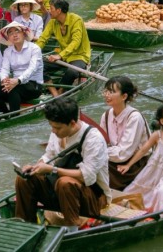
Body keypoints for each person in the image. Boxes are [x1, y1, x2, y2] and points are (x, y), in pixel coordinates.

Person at [14, 98, 110, 229]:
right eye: (51, 126)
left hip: (93, 198)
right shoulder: (58, 133)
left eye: (57, 128)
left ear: (72, 123)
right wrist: (36, 167)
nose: (53, 131)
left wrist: (52, 170)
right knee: (24, 179)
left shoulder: (93, 139)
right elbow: (48, 155)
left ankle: (72, 228)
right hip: (59, 193)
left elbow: (86, 176)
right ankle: (26, 226)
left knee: (65, 182)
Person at [120, 104, 163, 212]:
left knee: (162, 191)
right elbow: (143, 150)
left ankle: (160, 214)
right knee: (130, 191)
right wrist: (128, 165)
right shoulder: (157, 135)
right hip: (152, 173)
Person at [99, 76, 151, 190]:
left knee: (95, 165)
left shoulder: (134, 117)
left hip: (134, 165)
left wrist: (98, 151)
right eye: (106, 91)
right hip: (114, 159)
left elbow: (123, 153)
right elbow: (101, 141)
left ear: (124, 96)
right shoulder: (106, 115)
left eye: (112, 92)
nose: (107, 95)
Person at [35, 0, 91, 97]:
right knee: (38, 65)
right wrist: (33, 51)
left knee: (72, 71)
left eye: (51, 8)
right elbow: (43, 38)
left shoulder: (76, 20)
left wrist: (60, 55)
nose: (49, 11)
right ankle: (54, 92)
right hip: (64, 56)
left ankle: (61, 91)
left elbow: (76, 42)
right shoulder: (53, 22)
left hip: (79, 56)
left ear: (59, 10)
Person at [0, 22, 42, 113]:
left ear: (23, 33)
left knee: (13, 89)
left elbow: (32, 69)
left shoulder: (35, 49)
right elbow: (4, 69)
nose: (14, 35)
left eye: (17, 31)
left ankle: (14, 115)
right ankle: (4, 113)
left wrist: (18, 80)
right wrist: (4, 80)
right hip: (14, 82)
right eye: (11, 33)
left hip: (33, 84)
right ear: (8, 38)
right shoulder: (8, 51)